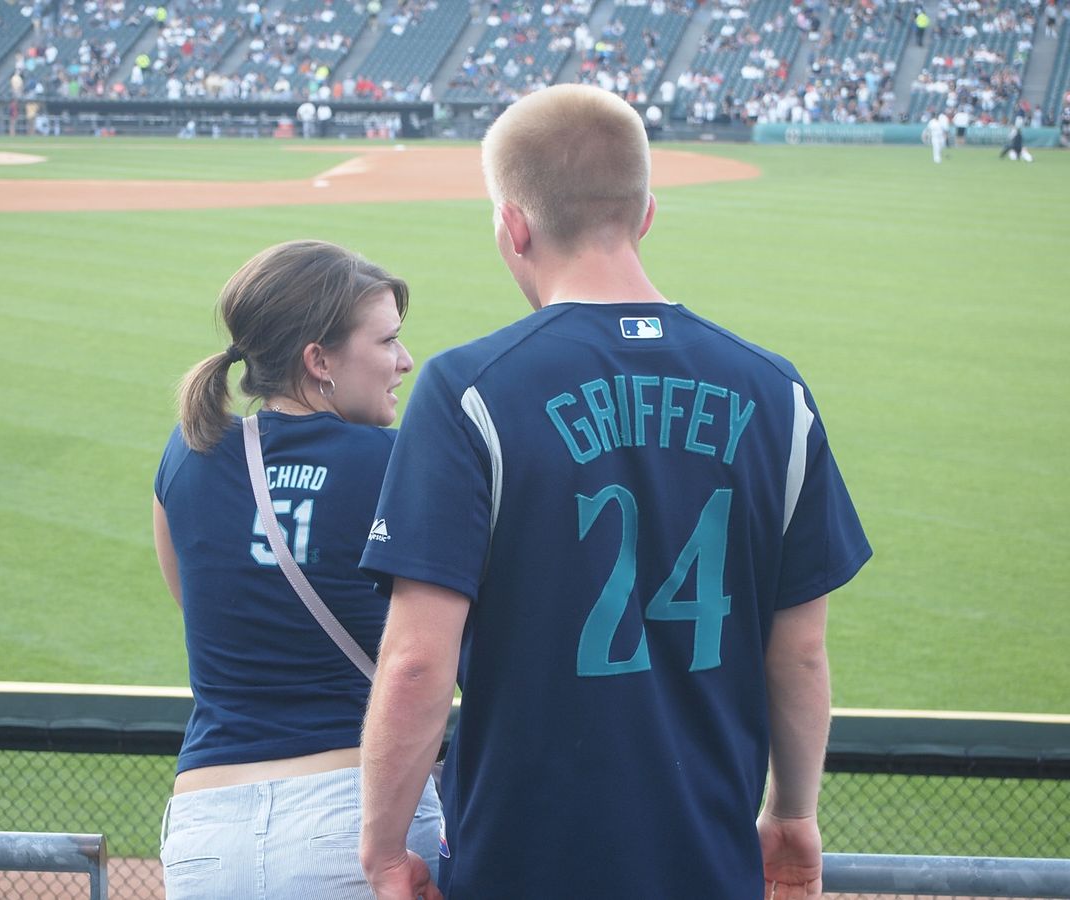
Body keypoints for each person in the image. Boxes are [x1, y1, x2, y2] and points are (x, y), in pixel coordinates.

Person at [358, 84, 871, 900]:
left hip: (519, 861)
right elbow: (801, 652)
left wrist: (385, 847)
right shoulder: (777, 391)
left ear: (514, 227)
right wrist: (794, 814)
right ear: (645, 215)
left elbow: (419, 663)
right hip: (707, 855)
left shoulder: (469, 389)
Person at [153, 240, 441, 899]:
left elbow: (192, 598)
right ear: (319, 361)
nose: (404, 361)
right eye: (387, 341)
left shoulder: (186, 452)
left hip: (205, 837)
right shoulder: (396, 464)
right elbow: (444, 645)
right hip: (352, 823)